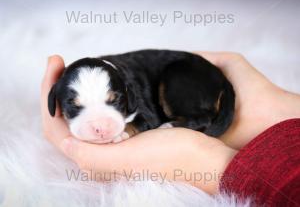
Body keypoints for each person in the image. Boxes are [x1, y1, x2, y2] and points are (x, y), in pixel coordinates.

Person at [41, 52, 300, 205]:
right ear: (56, 102)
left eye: (114, 103)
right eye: (76, 108)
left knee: (177, 91)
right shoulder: (106, 83)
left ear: (128, 95)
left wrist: (132, 129)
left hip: (190, 75)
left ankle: (197, 120)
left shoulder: (131, 86)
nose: (98, 125)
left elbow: (146, 117)